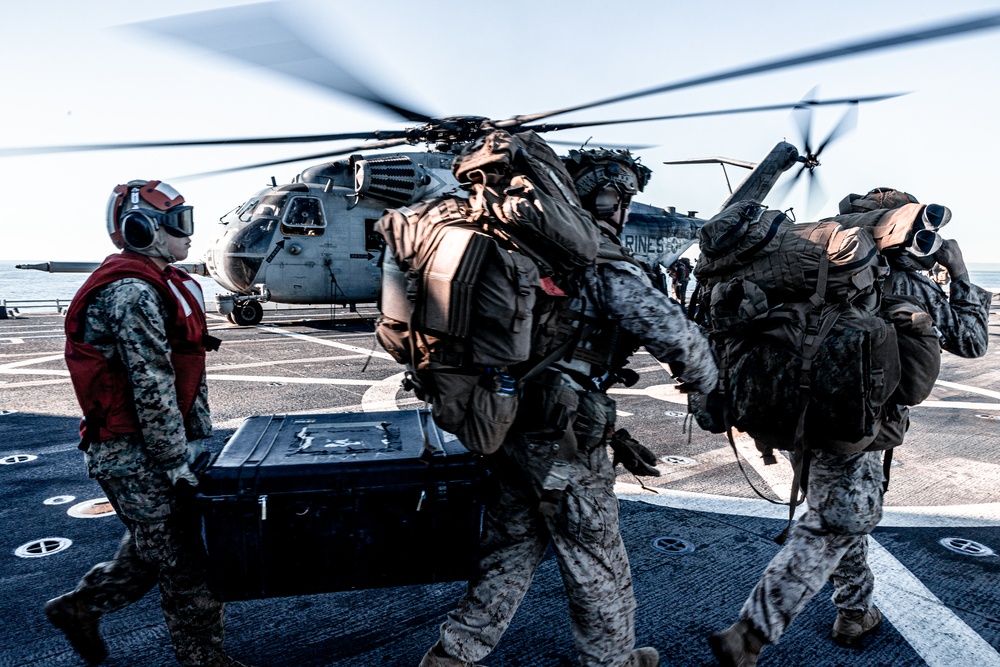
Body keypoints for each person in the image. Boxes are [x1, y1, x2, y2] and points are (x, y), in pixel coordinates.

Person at [419, 148, 718, 667]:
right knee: (596, 556)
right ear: (610, 200)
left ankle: (452, 655)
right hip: (562, 438)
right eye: (622, 200)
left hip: (507, 423)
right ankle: (614, 661)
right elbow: (675, 333)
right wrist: (708, 382)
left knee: (511, 548)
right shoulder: (597, 260)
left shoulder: (522, 251)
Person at [708, 187, 991, 666]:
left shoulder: (814, 266)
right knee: (840, 521)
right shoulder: (903, 281)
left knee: (839, 510)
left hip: (793, 408)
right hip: (857, 426)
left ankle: (855, 610)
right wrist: (959, 273)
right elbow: (972, 340)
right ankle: (753, 630)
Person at [45, 180, 250, 667]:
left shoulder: (163, 282)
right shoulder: (132, 292)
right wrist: (176, 461)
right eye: (178, 224)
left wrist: (194, 444)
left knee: (146, 555)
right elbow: (151, 382)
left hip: (159, 449)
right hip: (134, 455)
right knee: (187, 570)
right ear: (142, 231)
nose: (189, 233)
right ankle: (204, 661)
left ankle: (80, 609)